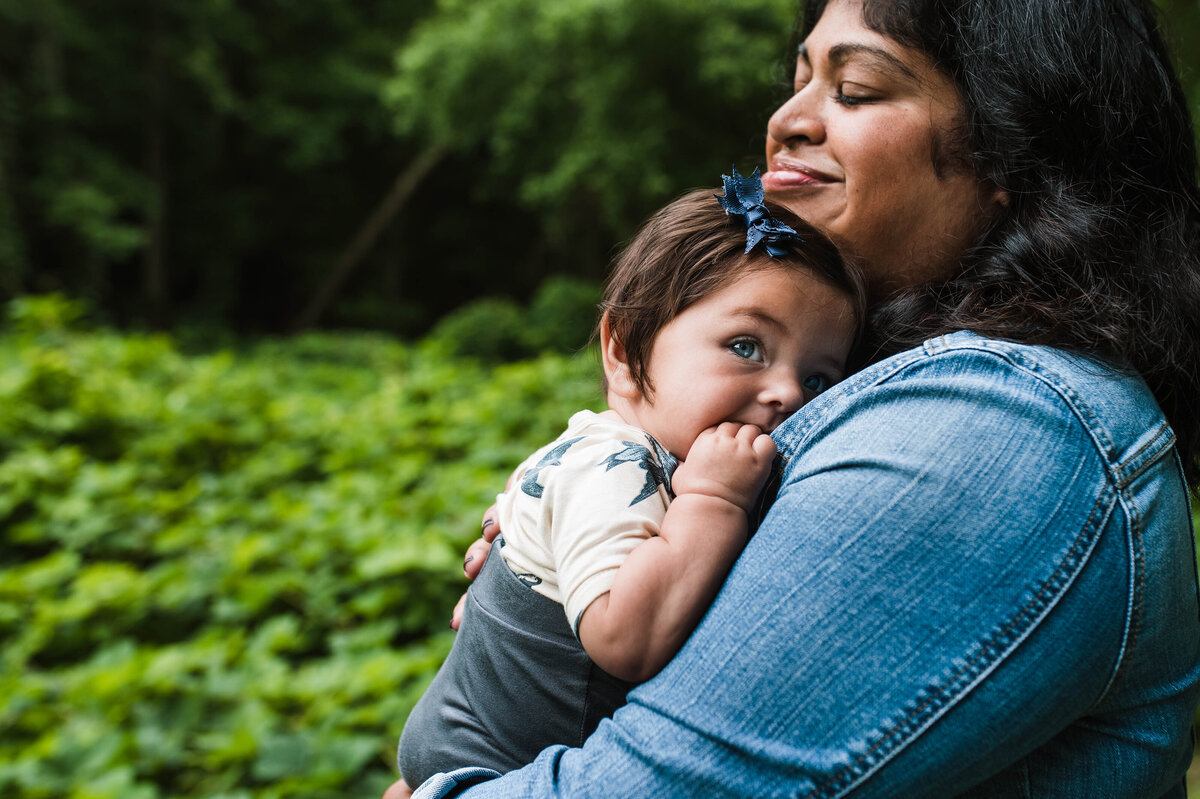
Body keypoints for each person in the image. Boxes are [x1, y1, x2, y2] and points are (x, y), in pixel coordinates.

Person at [388, 0, 1200, 794]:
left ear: (1013, 153)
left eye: (855, 90)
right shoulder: (900, 394)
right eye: (800, 76)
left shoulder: (1002, 423)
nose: (787, 119)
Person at [397, 178, 861, 787]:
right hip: (488, 772)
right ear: (623, 349)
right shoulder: (610, 467)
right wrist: (714, 500)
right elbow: (625, 638)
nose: (789, 393)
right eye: (746, 346)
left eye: (820, 380)